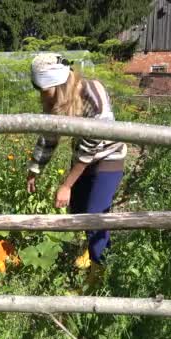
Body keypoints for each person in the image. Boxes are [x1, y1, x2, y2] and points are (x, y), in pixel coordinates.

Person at [26, 53, 127, 270]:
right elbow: (49, 135)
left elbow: (91, 146)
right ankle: (89, 254)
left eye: (44, 92)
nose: (43, 98)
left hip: (108, 157)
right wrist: (35, 168)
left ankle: (101, 271)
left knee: (94, 216)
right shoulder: (57, 100)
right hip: (83, 159)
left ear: (57, 84)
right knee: (79, 210)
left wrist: (66, 185)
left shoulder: (93, 94)